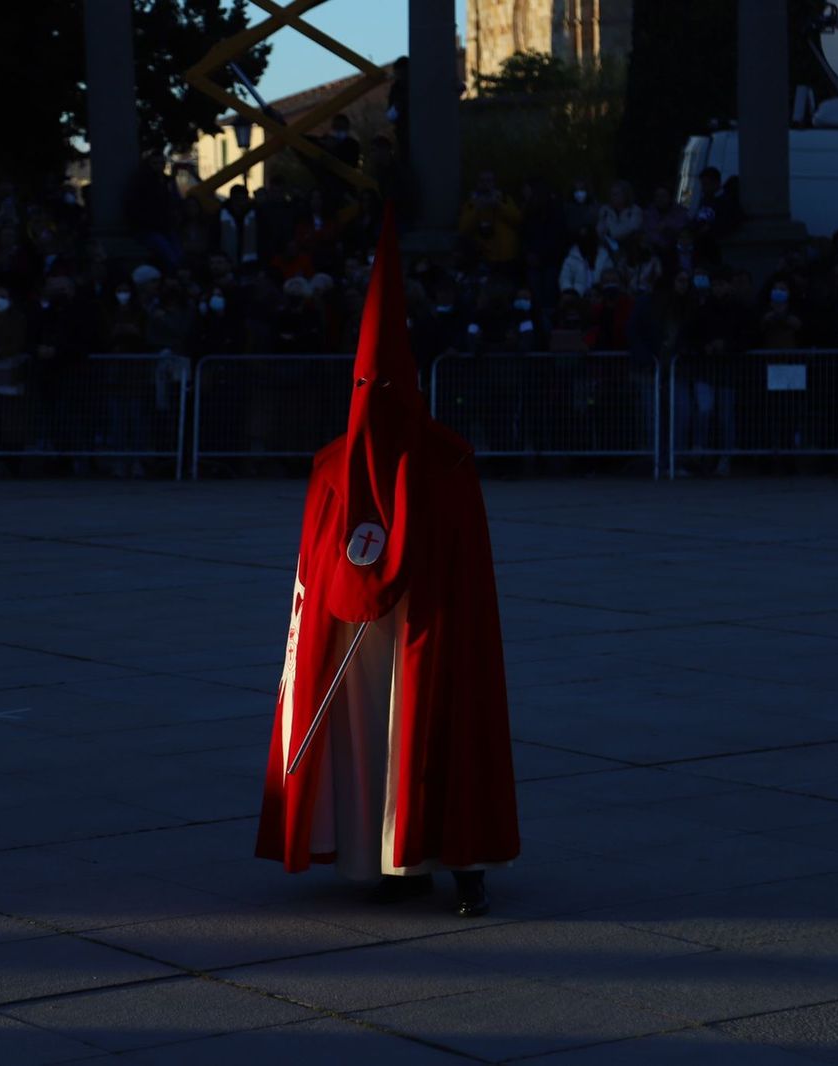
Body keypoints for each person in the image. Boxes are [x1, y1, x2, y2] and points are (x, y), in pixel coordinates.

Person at [256, 207, 519, 918]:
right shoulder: (365, 466)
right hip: (374, 635)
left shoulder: (415, 462)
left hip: (407, 632)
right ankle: (394, 856)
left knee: (414, 733)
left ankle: (445, 859)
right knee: (382, 738)